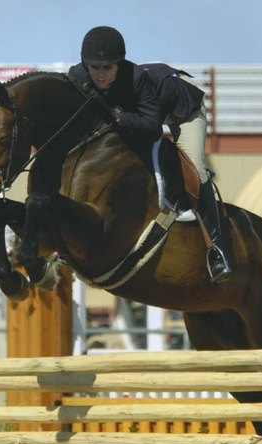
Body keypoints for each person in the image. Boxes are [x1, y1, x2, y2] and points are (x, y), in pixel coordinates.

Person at [69, 25, 231, 283]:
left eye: (107, 68)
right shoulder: (77, 76)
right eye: (94, 67)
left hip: (183, 111)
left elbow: (152, 128)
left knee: (196, 170)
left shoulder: (137, 80)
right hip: (145, 113)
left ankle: (217, 248)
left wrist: (117, 116)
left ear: (119, 64)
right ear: (84, 64)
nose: (100, 75)